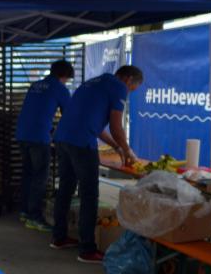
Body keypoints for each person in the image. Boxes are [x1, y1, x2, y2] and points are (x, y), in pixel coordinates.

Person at [52, 65, 143, 263]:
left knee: (65, 189)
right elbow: (116, 127)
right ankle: (87, 249)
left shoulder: (93, 83)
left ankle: (59, 238)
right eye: (132, 89)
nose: (128, 92)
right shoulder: (119, 87)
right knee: (89, 195)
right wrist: (127, 151)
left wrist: (116, 147)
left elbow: (95, 125)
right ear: (128, 80)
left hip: (63, 138)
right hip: (81, 143)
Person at [15, 60, 74, 232]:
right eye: (67, 79)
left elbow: (36, 110)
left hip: (22, 134)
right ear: (64, 76)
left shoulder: (36, 85)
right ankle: (34, 217)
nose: (66, 82)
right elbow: (69, 116)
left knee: (28, 173)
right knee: (40, 177)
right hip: (38, 137)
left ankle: (24, 211)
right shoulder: (60, 88)